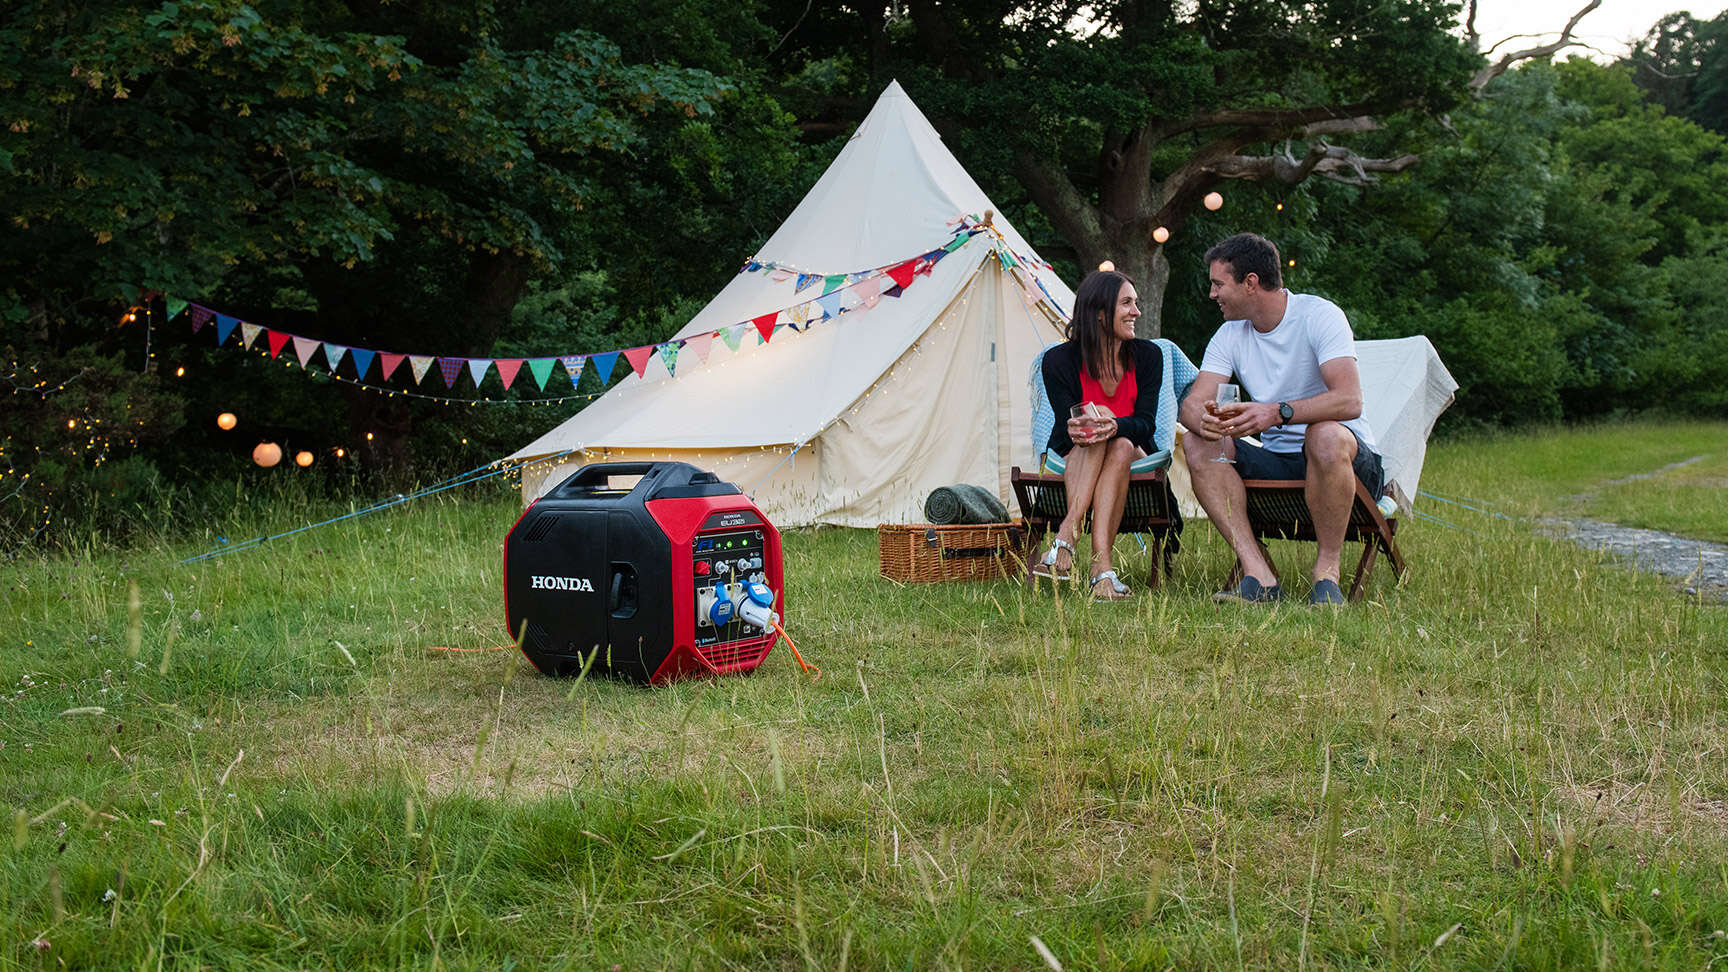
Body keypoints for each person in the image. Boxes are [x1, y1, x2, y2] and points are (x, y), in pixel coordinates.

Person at [1180, 233, 1385, 606]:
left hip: (1347, 463)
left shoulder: (1319, 316)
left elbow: (1349, 399)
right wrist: (1202, 420)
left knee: (1323, 436)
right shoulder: (1229, 334)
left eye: (1218, 284)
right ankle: (1259, 575)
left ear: (1251, 283)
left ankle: (1327, 577)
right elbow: (1193, 403)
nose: (1212, 294)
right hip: (1279, 462)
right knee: (1196, 441)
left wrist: (1275, 414)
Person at [1033, 270, 1164, 600]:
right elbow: (1070, 425)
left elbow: (1146, 424)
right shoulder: (1058, 361)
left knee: (1117, 438)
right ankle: (1101, 571)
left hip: (1136, 453)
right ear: (1100, 312)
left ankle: (1066, 536)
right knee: (1102, 433)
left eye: (1135, 303)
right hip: (1075, 452)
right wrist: (1098, 425)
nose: (1136, 311)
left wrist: (1113, 423)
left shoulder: (1148, 356)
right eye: (1126, 303)